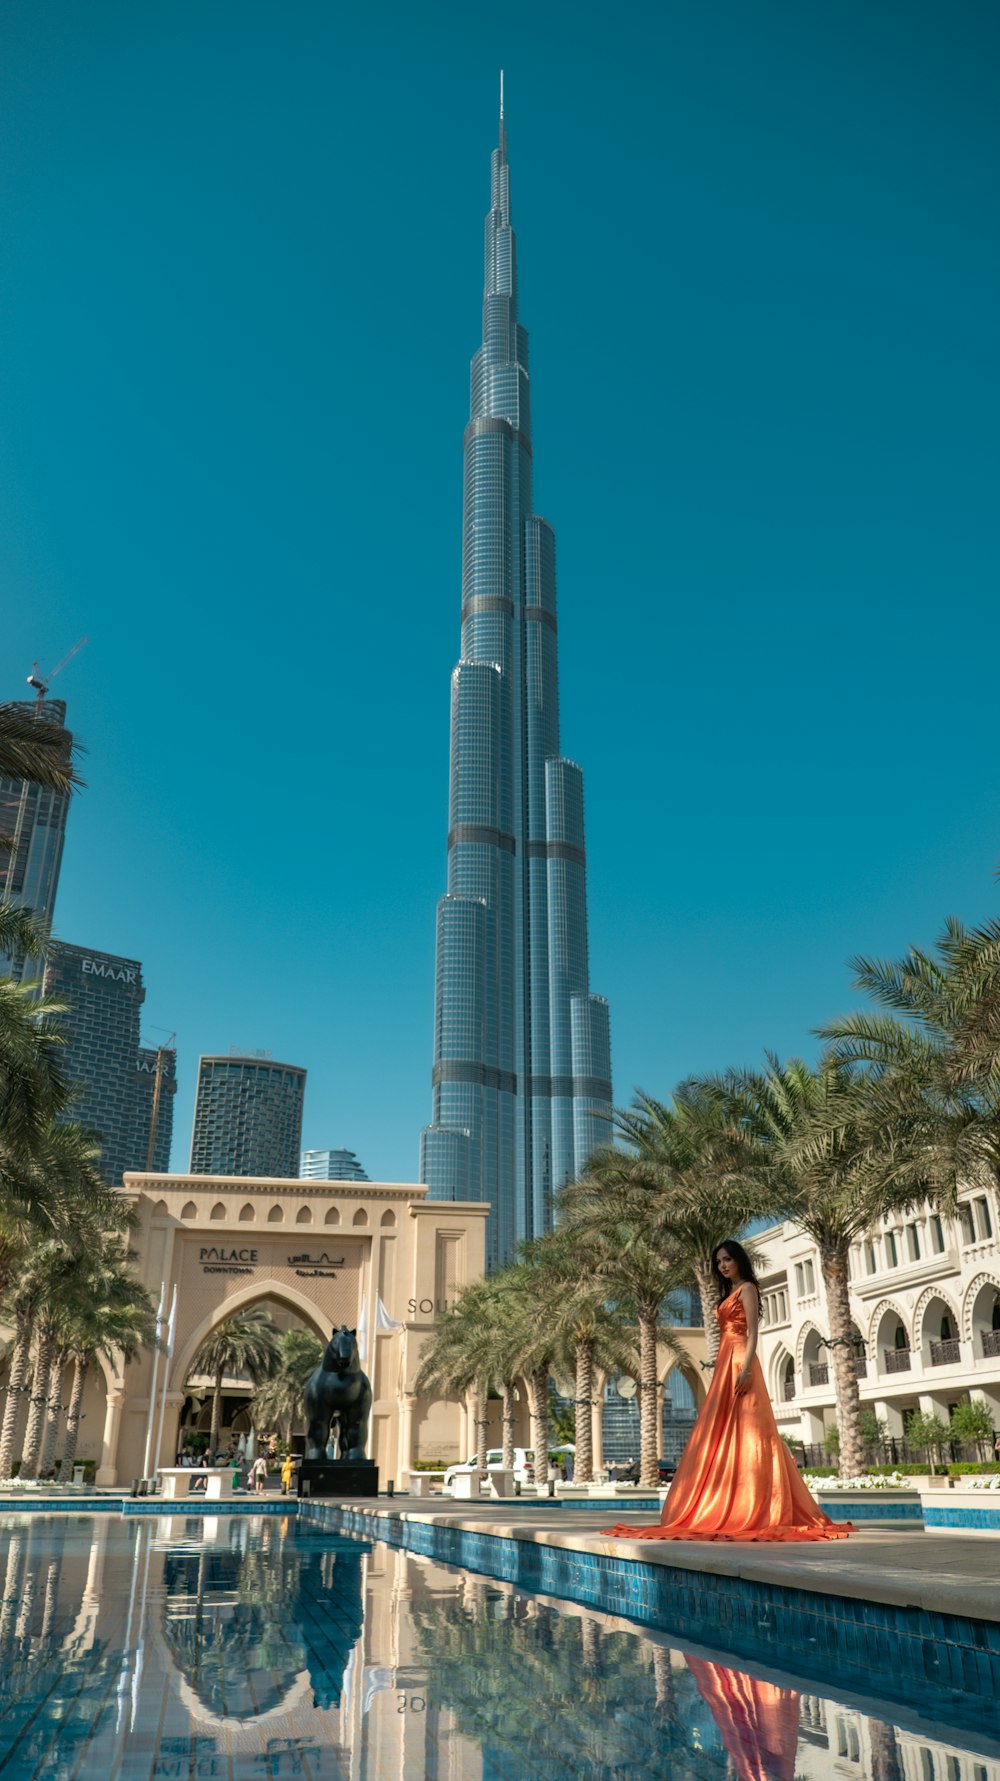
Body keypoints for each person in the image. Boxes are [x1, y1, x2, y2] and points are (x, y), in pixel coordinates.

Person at [603, 1239, 854, 1544]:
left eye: (727, 1260)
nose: (722, 1265)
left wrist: (746, 1369)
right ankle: (728, 1500)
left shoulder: (747, 1288)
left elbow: (752, 1333)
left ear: (738, 1260)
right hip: (725, 1360)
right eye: (718, 1261)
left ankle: (757, 1505)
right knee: (722, 1430)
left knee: (752, 1432)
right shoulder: (729, 1292)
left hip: (739, 1361)